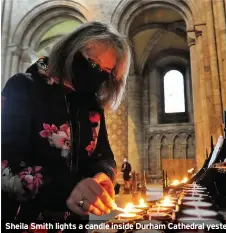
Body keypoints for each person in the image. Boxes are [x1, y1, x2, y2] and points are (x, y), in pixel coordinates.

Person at [1, 21, 131, 221]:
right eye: (94, 63)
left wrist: (103, 176)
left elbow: (104, 155)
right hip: (26, 219)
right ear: (71, 48)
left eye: (106, 71)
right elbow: (4, 165)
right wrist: (69, 189)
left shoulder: (91, 105)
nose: (97, 73)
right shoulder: (22, 87)